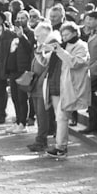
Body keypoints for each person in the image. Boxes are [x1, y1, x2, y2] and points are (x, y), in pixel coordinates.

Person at [46, 21, 90, 157]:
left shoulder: (81, 46)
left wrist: (59, 50)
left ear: (75, 33)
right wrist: (40, 51)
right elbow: (47, 61)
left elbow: (75, 63)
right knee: (61, 116)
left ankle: (61, 147)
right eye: (62, 35)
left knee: (62, 116)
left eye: (67, 34)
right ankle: (60, 146)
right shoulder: (64, 46)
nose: (64, 37)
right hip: (61, 86)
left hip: (72, 87)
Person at [27, 21, 58, 152]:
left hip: (43, 84)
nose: (36, 38)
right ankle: (40, 139)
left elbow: (45, 64)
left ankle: (41, 140)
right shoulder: (42, 45)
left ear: (45, 35)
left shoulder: (50, 45)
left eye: (38, 35)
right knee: (39, 114)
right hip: (37, 83)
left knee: (42, 114)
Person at [5, 11, 34, 134]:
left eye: (23, 18)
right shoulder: (13, 34)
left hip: (23, 70)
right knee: (15, 98)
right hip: (13, 69)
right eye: (18, 18)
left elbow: (30, 49)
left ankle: (23, 123)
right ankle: (17, 121)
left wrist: (22, 36)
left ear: (27, 19)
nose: (20, 20)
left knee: (22, 98)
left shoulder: (30, 33)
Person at [84, 11, 97, 134]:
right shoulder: (91, 33)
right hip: (91, 70)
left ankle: (93, 124)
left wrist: (92, 68)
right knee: (91, 98)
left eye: (91, 19)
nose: (88, 22)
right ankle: (93, 124)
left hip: (95, 71)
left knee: (91, 97)